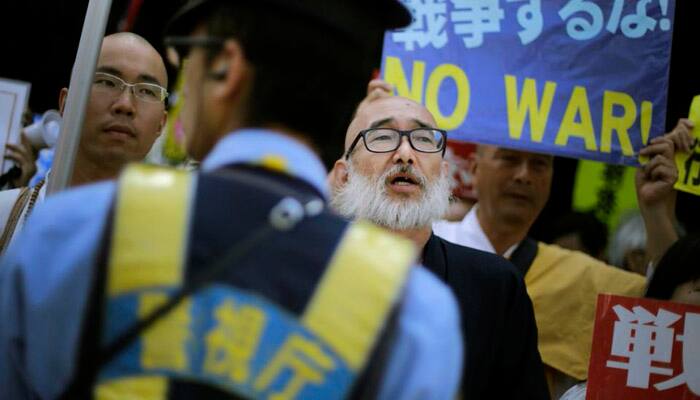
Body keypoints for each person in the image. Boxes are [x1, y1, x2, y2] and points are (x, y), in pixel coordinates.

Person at [0, 1, 463, 399]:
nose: (183, 90)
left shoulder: (70, 233)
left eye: (187, 60)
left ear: (227, 70)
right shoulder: (414, 311)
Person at [432, 125, 683, 397]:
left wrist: (657, 211)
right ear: (474, 168)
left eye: (539, 165)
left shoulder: (576, 274)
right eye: (509, 159)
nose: (524, 175)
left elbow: (668, 311)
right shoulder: (422, 246)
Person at [329, 94, 550, 399]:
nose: (405, 154)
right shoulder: (309, 272)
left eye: (422, 139)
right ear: (343, 175)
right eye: (382, 137)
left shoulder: (494, 284)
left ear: (444, 173)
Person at [0, 32, 168, 252]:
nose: (125, 104)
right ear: (66, 103)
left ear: (161, 124)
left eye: (147, 90)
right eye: (107, 82)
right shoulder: (5, 214)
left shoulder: (173, 248)